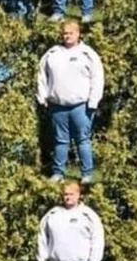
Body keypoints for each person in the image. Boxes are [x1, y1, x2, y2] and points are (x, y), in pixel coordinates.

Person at [36, 20, 104, 182]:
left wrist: (93, 102)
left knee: (83, 141)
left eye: (70, 33)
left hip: (81, 107)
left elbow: (97, 78)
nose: (67, 36)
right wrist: (42, 97)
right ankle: (58, 173)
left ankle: (87, 174)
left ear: (78, 34)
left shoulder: (87, 54)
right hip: (57, 107)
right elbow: (42, 76)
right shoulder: (52, 54)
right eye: (65, 33)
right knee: (60, 141)